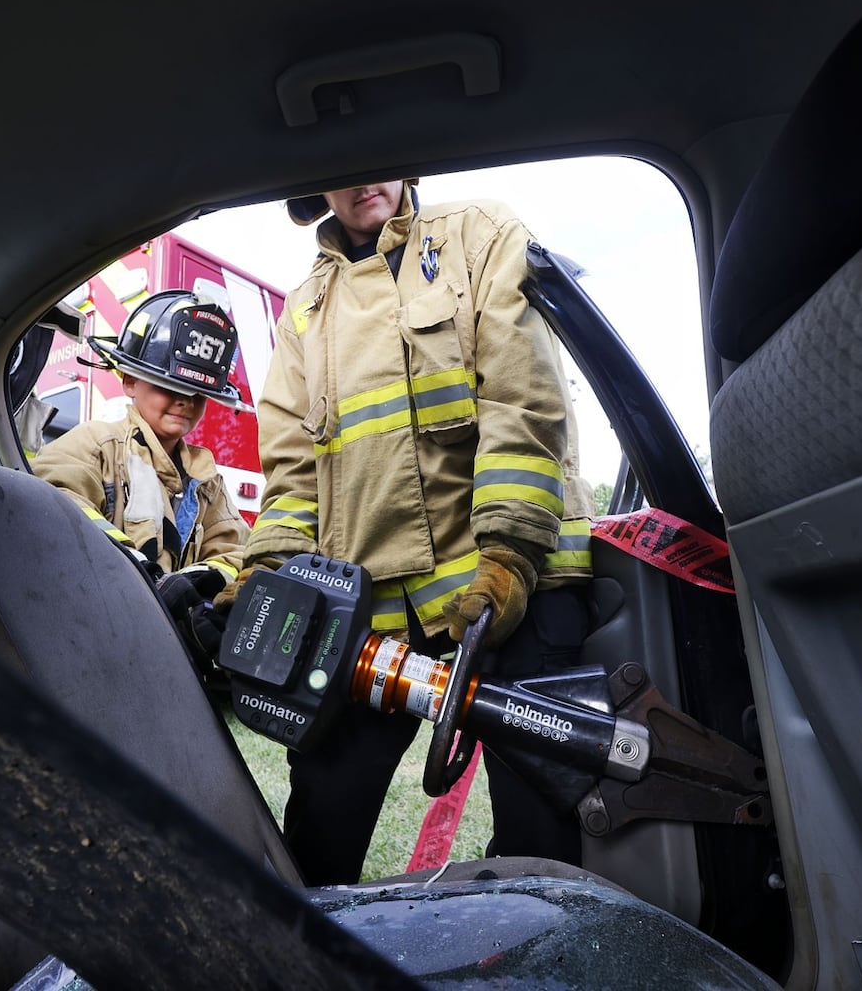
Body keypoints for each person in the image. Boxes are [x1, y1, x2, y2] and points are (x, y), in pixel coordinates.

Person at [216, 180, 594, 885]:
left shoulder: (479, 232)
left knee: (540, 842)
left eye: (378, 158)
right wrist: (263, 573)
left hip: (507, 593)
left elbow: (521, 397)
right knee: (320, 827)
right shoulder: (304, 308)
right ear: (311, 188)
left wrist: (510, 554)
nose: (365, 177)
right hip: (365, 612)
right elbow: (294, 472)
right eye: (340, 168)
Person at [33, 290, 248, 647]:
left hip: (165, 648)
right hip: (92, 632)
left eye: (197, 393)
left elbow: (234, 549)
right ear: (130, 380)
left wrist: (203, 582)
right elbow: (56, 500)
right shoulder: (97, 444)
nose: (185, 401)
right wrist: (140, 570)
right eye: (169, 385)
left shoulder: (206, 480)